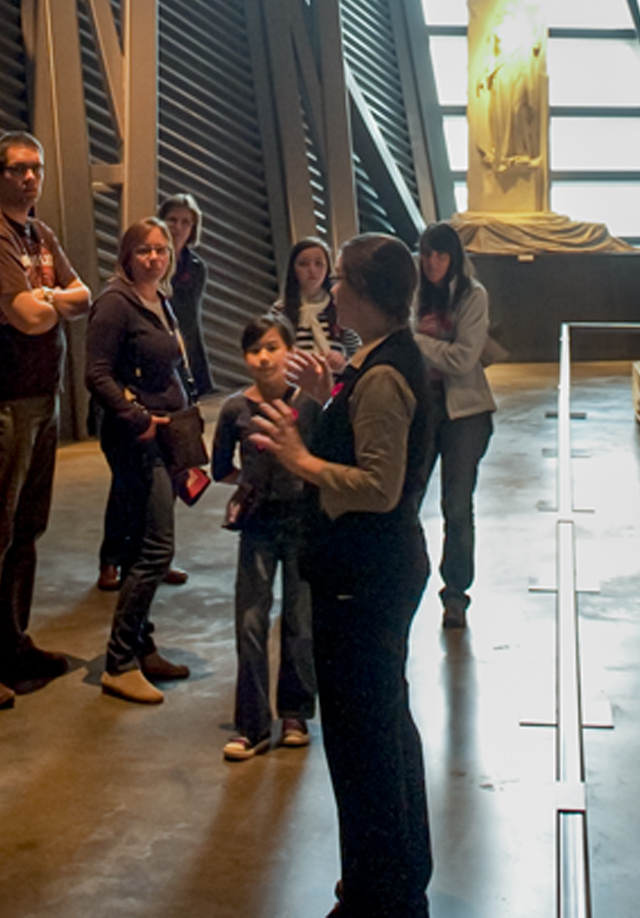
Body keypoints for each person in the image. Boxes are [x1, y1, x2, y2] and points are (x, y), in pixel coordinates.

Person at [252, 234, 438, 917]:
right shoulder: (375, 364)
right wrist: (324, 396)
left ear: (365, 292)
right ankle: (395, 872)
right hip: (372, 573)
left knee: (364, 747)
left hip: (366, 577)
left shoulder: (386, 375)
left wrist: (299, 458)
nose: (330, 291)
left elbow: (378, 485)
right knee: (384, 726)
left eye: (339, 282)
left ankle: (376, 891)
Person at [0, 132, 90, 710]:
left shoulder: (39, 233)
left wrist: (45, 297)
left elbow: (83, 297)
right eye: (19, 169)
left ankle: (10, 643)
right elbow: (29, 316)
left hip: (40, 395)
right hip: (1, 400)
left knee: (26, 530)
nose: (31, 179)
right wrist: (49, 301)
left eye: (38, 169)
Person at [88, 218, 197, 705]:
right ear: (127, 255)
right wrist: (137, 417)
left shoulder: (160, 299)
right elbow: (96, 373)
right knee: (156, 546)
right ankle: (118, 662)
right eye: (144, 251)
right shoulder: (115, 303)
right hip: (137, 437)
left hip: (166, 431)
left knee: (139, 546)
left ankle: (142, 646)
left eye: (161, 250)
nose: (155, 257)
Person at [211, 313, 316, 759]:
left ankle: (294, 713)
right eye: (254, 350)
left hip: (302, 522)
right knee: (250, 621)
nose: (263, 357)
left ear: (290, 351)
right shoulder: (235, 409)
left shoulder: (309, 405)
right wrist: (249, 485)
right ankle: (251, 725)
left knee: (300, 619)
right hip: (256, 526)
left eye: (273, 347)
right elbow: (220, 469)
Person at [414, 222, 496, 631]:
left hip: (466, 414)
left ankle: (456, 594)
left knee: (457, 507)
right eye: (427, 253)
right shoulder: (415, 296)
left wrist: (417, 342)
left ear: (454, 258)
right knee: (407, 498)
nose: (432, 262)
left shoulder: (473, 295)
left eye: (441, 254)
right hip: (422, 411)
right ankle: (406, 577)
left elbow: (464, 359)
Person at [160, 193, 214, 401]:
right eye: (172, 220)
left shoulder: (196, 268)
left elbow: (192, 320)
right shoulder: (150, 258)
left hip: (184, 345)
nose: (178, 227)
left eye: (185, 222)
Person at [278, 236, 359, 368]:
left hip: (336, 384)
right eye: (303, 264)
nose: (312, 271)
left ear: (328, 269)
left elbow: (357, 355)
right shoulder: (280, 311)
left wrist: (343, 362)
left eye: (318, 264)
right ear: (293, 269)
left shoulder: (340, 308)